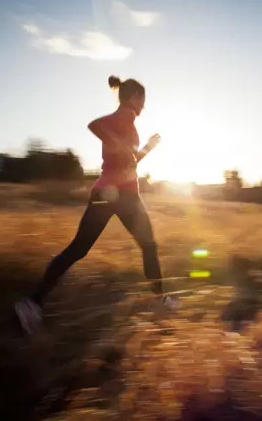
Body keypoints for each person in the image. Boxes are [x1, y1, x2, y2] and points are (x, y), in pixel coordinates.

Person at [14, 75, 180, 335]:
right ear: (134, 97)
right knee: (148, 245)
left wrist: (147, 147)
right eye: (143, 98)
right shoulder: (123, 116)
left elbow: (130, 160)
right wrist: (119, 144)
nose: (144, 104)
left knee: (79, 249)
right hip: (121, 195)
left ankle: (31, 303)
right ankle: (162, 300)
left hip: (108, 192)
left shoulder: (128, 122)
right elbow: (94, 125)